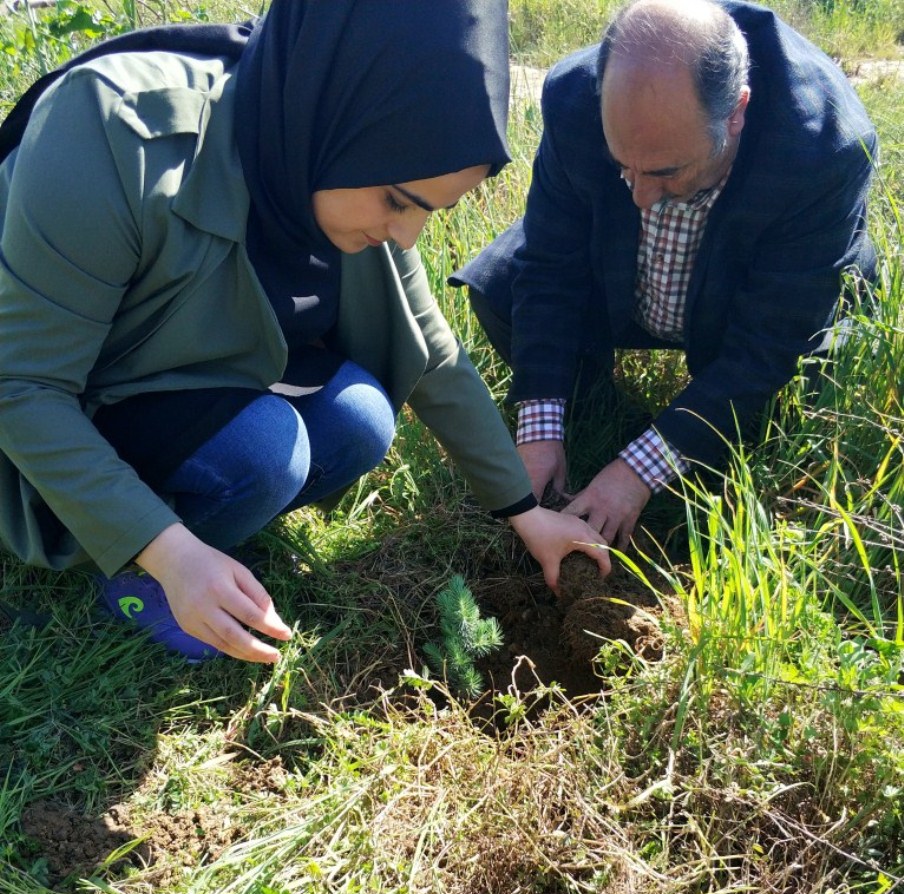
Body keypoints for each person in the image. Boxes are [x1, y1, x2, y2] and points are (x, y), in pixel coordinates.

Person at [0, 0, 609, 666]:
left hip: (190, 380)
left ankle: (194, 528)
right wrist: (169, 553)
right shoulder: (114, 133)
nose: (405, 235)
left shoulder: (344, 157)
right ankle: (137, 575)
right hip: (59, 410)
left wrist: (524, 512)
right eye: (400, 202)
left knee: (360, 419)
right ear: (333, 117)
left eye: (430, 211)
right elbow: (22, 386)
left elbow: (432, 352)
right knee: (268, 453)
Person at [454, 0, 878, 552]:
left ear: (737, 114)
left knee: (797, 384)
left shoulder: (823, 149)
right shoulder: (574, 97)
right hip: (627, 278)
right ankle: (598, 409)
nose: (641, 197)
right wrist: (539, 429)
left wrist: (637, 473)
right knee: (503, 287)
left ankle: (691, 436)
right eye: (620, 165)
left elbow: (772, 343)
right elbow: (550, 266)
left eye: (665, 170)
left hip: (743, 298)